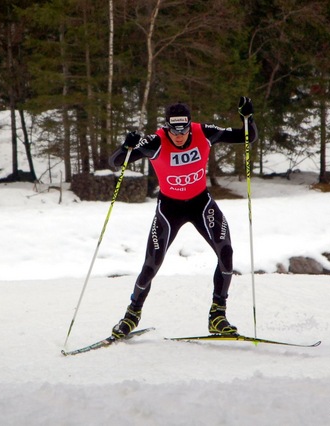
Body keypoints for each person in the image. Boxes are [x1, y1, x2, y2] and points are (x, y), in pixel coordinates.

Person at [109, 97, 257, 338]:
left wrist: (247, 117)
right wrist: (126, 146)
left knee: (226, 253)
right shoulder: (155, 141)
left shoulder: (205, 132)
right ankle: (131, 315)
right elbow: (115, 163)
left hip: (200, 202)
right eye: (174, 130)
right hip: (170, 208)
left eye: (184, 130)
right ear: (167, 127)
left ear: (190, 125)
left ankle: (217, 316)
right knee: (151, 265)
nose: (179, 136)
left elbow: (248, 137)